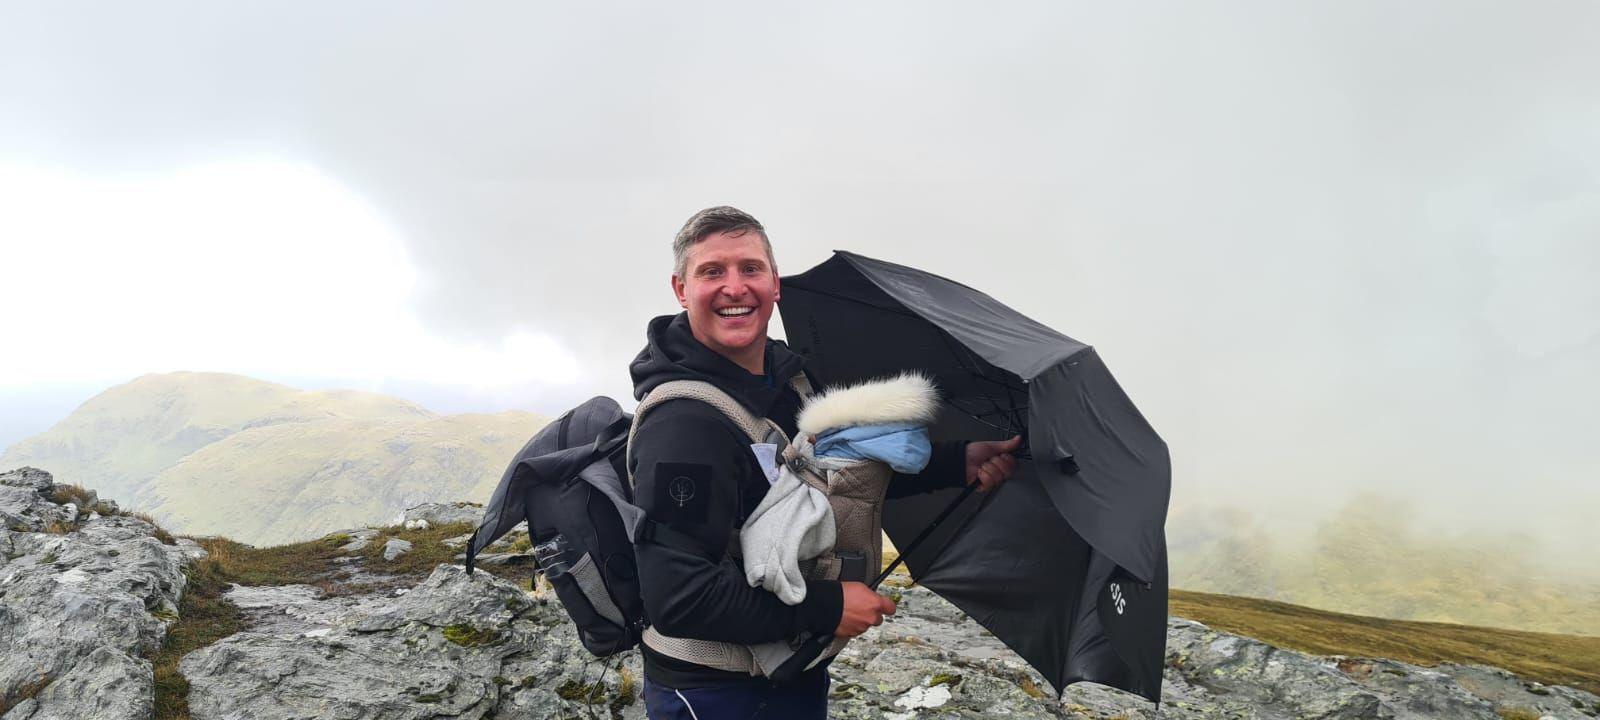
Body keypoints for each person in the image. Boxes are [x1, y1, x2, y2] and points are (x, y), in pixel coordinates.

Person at [628, 206, 1023, 719]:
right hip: (714, 690)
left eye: (751, 269)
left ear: (775, 285)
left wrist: (957, 463)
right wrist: (830, 607)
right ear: (681, 290)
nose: (734, 287)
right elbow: (679, 597)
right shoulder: (684, 426)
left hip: (791, 669)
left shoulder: (789, 380)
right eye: (712, 271)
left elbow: (829, 477)